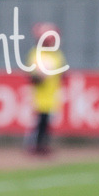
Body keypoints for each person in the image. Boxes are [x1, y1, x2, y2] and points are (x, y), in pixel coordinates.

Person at [25, 22, 67, 156]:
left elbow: (62, 73)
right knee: (39, 122)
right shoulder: (36, 54)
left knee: (46, 122)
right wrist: (39, 76)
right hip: (39, 95)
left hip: (52, 95)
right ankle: (34, 145)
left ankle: (43, 144)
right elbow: (32, 77)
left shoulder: (56, 54)